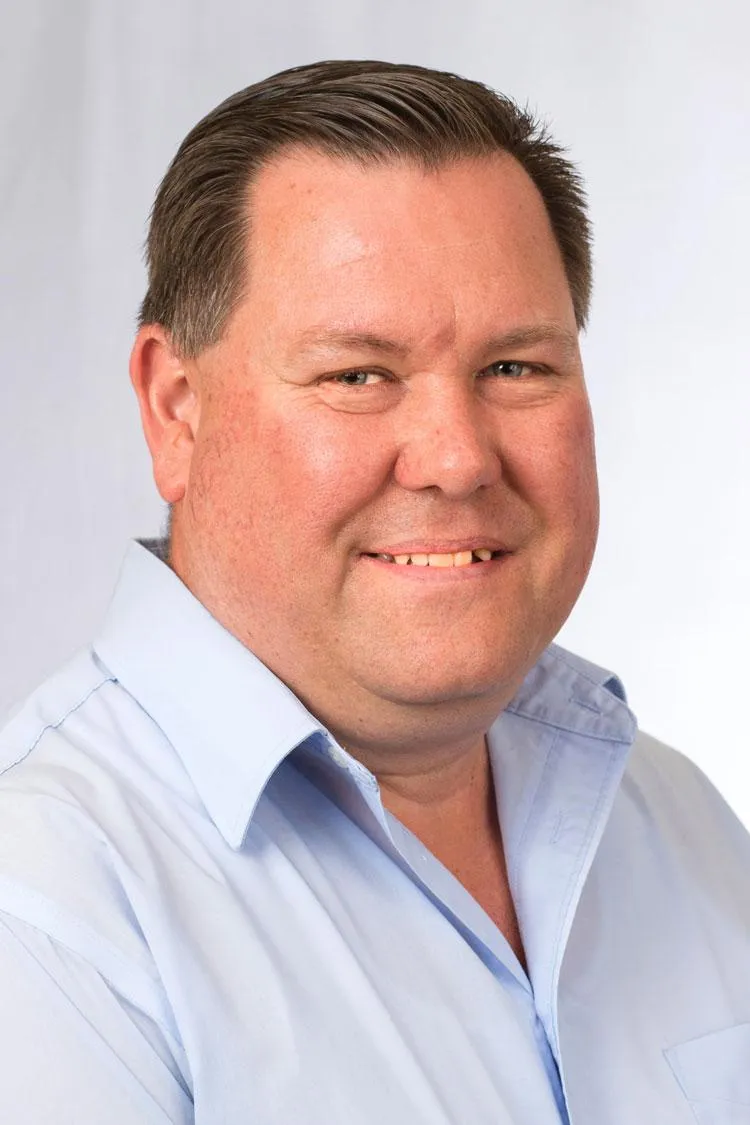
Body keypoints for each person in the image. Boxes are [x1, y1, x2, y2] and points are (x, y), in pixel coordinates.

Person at [0, 59, 748, 1125]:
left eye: (516, 368)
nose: (457, 458)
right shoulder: (46, 908)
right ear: (177, 409)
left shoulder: (682, 824)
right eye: (358, 375)